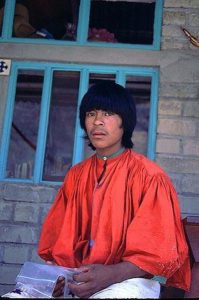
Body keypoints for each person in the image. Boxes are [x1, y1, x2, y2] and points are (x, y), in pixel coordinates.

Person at [38, 81, 191, 298]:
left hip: (135, 284)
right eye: (91, 113)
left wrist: (108, 276)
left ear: (124, 122)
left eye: (108, 113)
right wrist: (59, 277)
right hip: (82, 279)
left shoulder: (149, 177)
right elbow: (60, 244)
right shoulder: (76, 175)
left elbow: (156, 256)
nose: (97, 121)